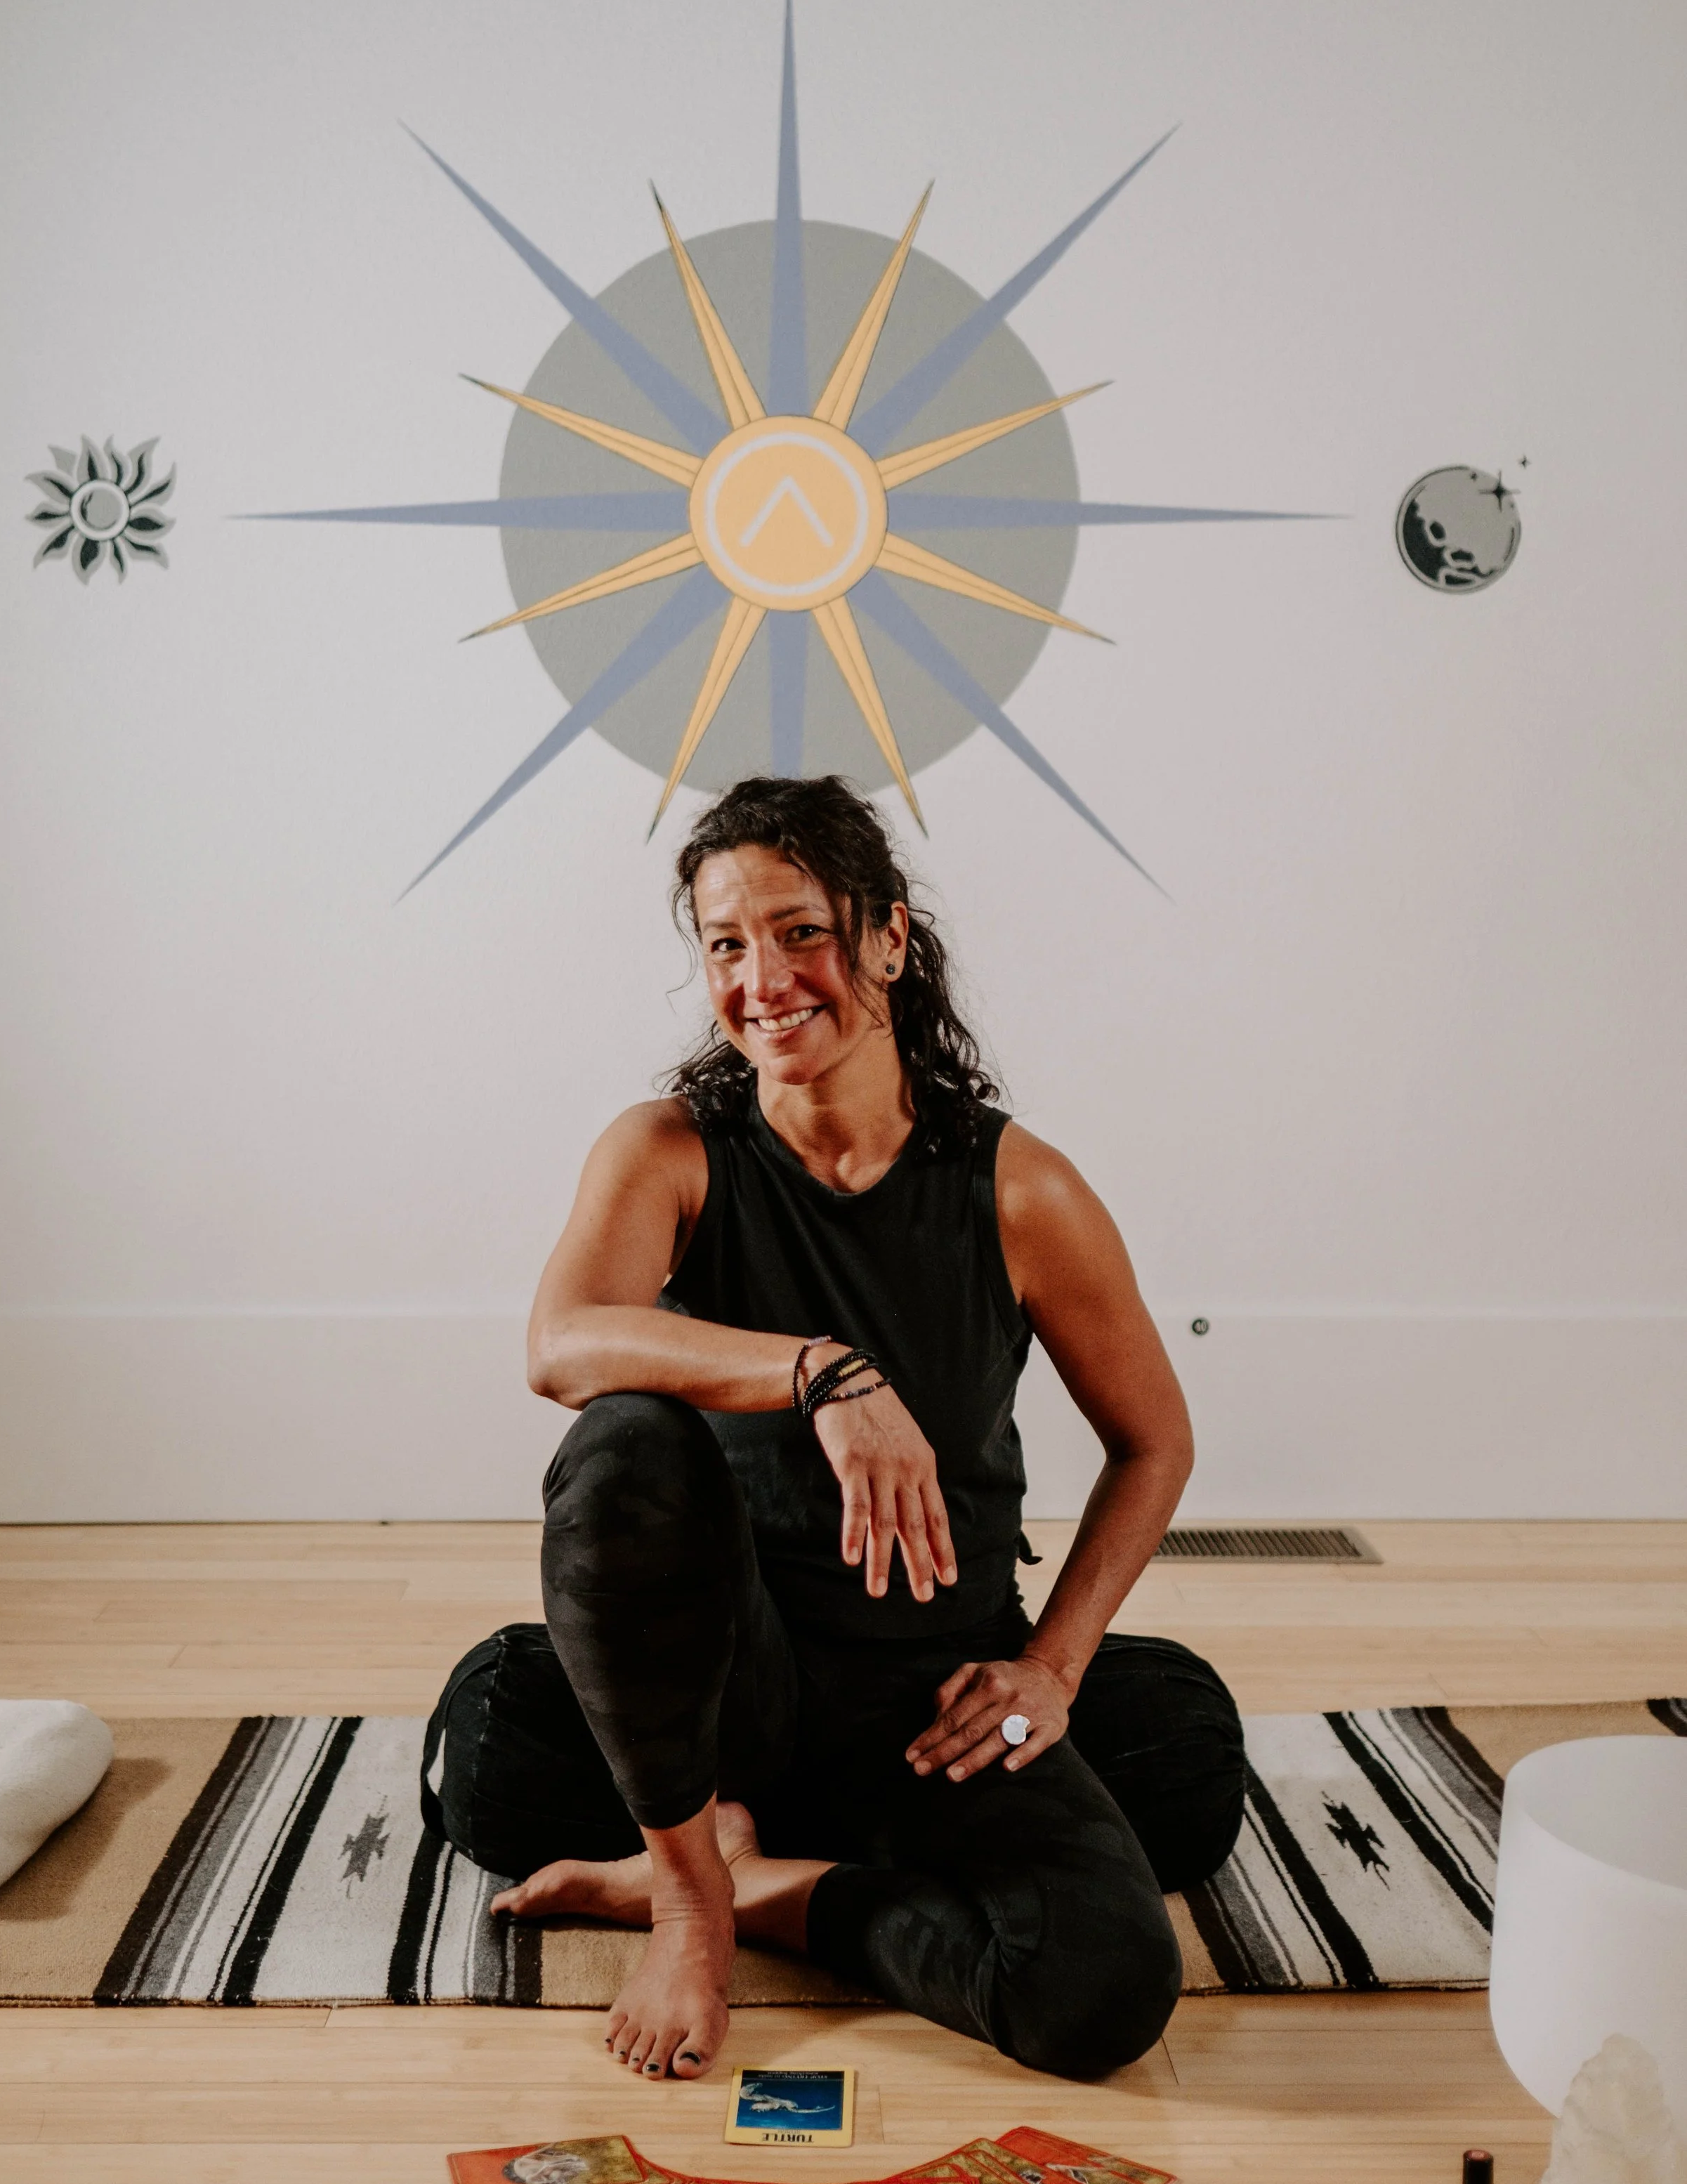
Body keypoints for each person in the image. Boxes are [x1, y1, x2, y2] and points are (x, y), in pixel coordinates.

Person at [423, 775, 1245, 2084]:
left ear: (888, 939)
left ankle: (753, 1880)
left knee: (1122, 1942)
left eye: (801, 931)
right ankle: (693, 1886)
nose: (766, 978)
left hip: (928, 1695)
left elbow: (1157, 1441)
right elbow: (561, 1342)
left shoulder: (1020, 1189)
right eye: (727, 944)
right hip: (724, 1680)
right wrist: (822, 1371)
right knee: (567, 1563)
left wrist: (1055, 1670)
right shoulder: (671, 1151)